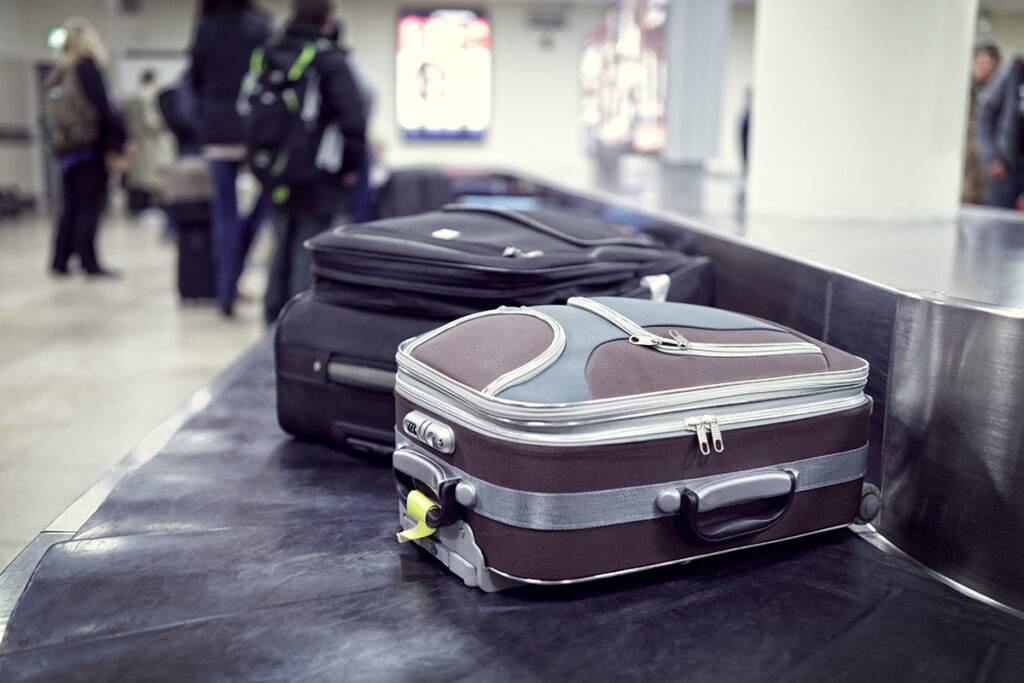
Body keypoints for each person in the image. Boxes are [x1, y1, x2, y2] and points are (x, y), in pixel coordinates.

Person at [257, 0, 367, 324]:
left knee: (281, 241)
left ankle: (271, 317)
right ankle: (297, 323)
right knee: (308, 246)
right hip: (317, 171)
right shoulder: (329, 58)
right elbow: (353, 118)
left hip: (274, 168)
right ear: (329, 19)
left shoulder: (270, 52)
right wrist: (350, 166)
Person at [188, 0, 273, 317]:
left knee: (224, 215)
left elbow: (195, 78)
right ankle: (234, 275)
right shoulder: (261, 25)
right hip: (255, 129)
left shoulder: (205, 26)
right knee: (264, 206)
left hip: (216, 131)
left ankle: (226, 289)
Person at [47, 17, 125, 277]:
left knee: (70, 204)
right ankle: (89, 261)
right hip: (90, 146)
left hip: (67, 148)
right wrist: (120, 138)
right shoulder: (87, 67)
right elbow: (103, 108)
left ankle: (60, 260)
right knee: (90, 205)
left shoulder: (59, 70)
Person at [975, 44, 1024, 209]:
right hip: (1004, 168)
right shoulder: (1008, 75)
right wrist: (991, 159)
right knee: (998, 226)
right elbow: (984, 119)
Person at [123, 70, 174, 215]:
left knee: (138, 174)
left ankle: (138, 205)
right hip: (149, 140)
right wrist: (166, 126)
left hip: (137, 138)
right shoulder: (147, 96)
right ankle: (145, 207)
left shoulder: (135, 95)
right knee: (149, 175)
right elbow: (150, 120)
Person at [963, 42, 1000, 204]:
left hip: (990, 169)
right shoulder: (964, 92)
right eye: (978, 62)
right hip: (967, 169)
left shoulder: (1000, 94)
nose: (982, 67)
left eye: (987, 63)